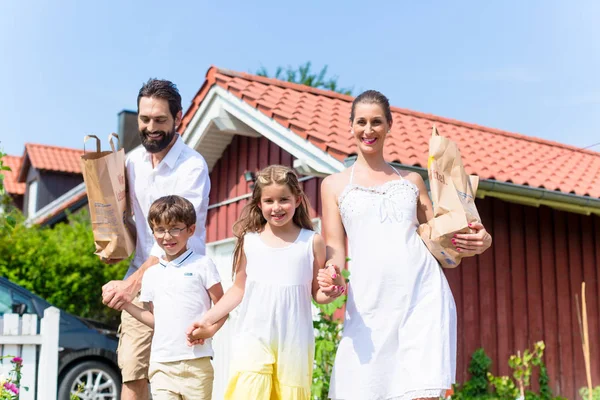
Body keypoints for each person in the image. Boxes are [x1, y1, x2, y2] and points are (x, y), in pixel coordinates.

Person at [317, 90, 493, 400]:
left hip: (422, 295)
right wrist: (330, 274)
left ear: (388, 125)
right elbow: (334, 246)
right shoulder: (332, 185)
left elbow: (445, 232)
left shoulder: (412, 182)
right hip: (369, 303)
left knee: (421, 391)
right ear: (351, 125)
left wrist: (481, 240)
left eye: (376, 122)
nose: (368, 130)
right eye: (361, 122)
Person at [185, 165, 341, 400]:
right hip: (254, 337)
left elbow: (316, 293)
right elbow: (238, 289)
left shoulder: (312, 242)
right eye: (269, 200)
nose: (276, 207)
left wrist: (332, 291)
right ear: (259, 203)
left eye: (284, 200)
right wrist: (207, 319)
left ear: (297, 200)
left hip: (295, 342)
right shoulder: (250, 242)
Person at [101, 78, 211, 400]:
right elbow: (138, 227)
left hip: (183, 284)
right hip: (141, 279)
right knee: (132, 373)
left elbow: (172, 240)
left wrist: (129, 283)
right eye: (145, 119)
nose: (151, 127)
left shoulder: (192, 167)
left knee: (179, 380)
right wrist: (116, 246)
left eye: (160, 120)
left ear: (178, 119)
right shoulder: (132, 162)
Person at [124, 195, 224, 400]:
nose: (167, 236)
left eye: (175, 228)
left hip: (197, 364)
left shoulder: (202, 265)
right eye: (160, 230)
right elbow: (156, 321)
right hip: (161, 365)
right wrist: (125, 304)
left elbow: (222, 307)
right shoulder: (151, 274)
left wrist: (209, 330)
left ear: (190, 230)